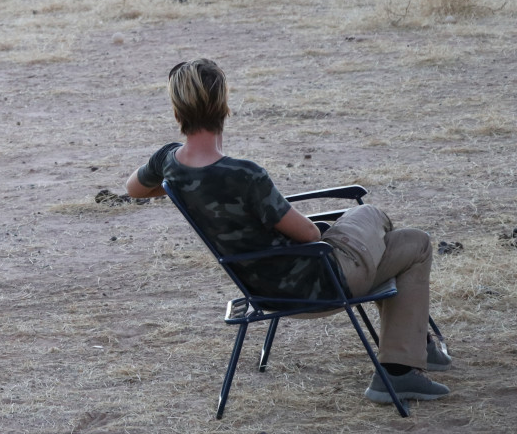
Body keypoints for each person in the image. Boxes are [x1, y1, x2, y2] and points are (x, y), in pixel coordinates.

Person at [124, 58, 451, 405]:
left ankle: (407, 359)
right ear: (223, 105)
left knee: (412, 242)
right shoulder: (245, 175)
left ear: (177, 109)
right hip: (318, 285)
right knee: (373, 214)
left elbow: (134, 188)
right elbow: (309, 235)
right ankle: (404, 365)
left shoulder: (167, 162)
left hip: (264, 291)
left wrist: (190, 188)